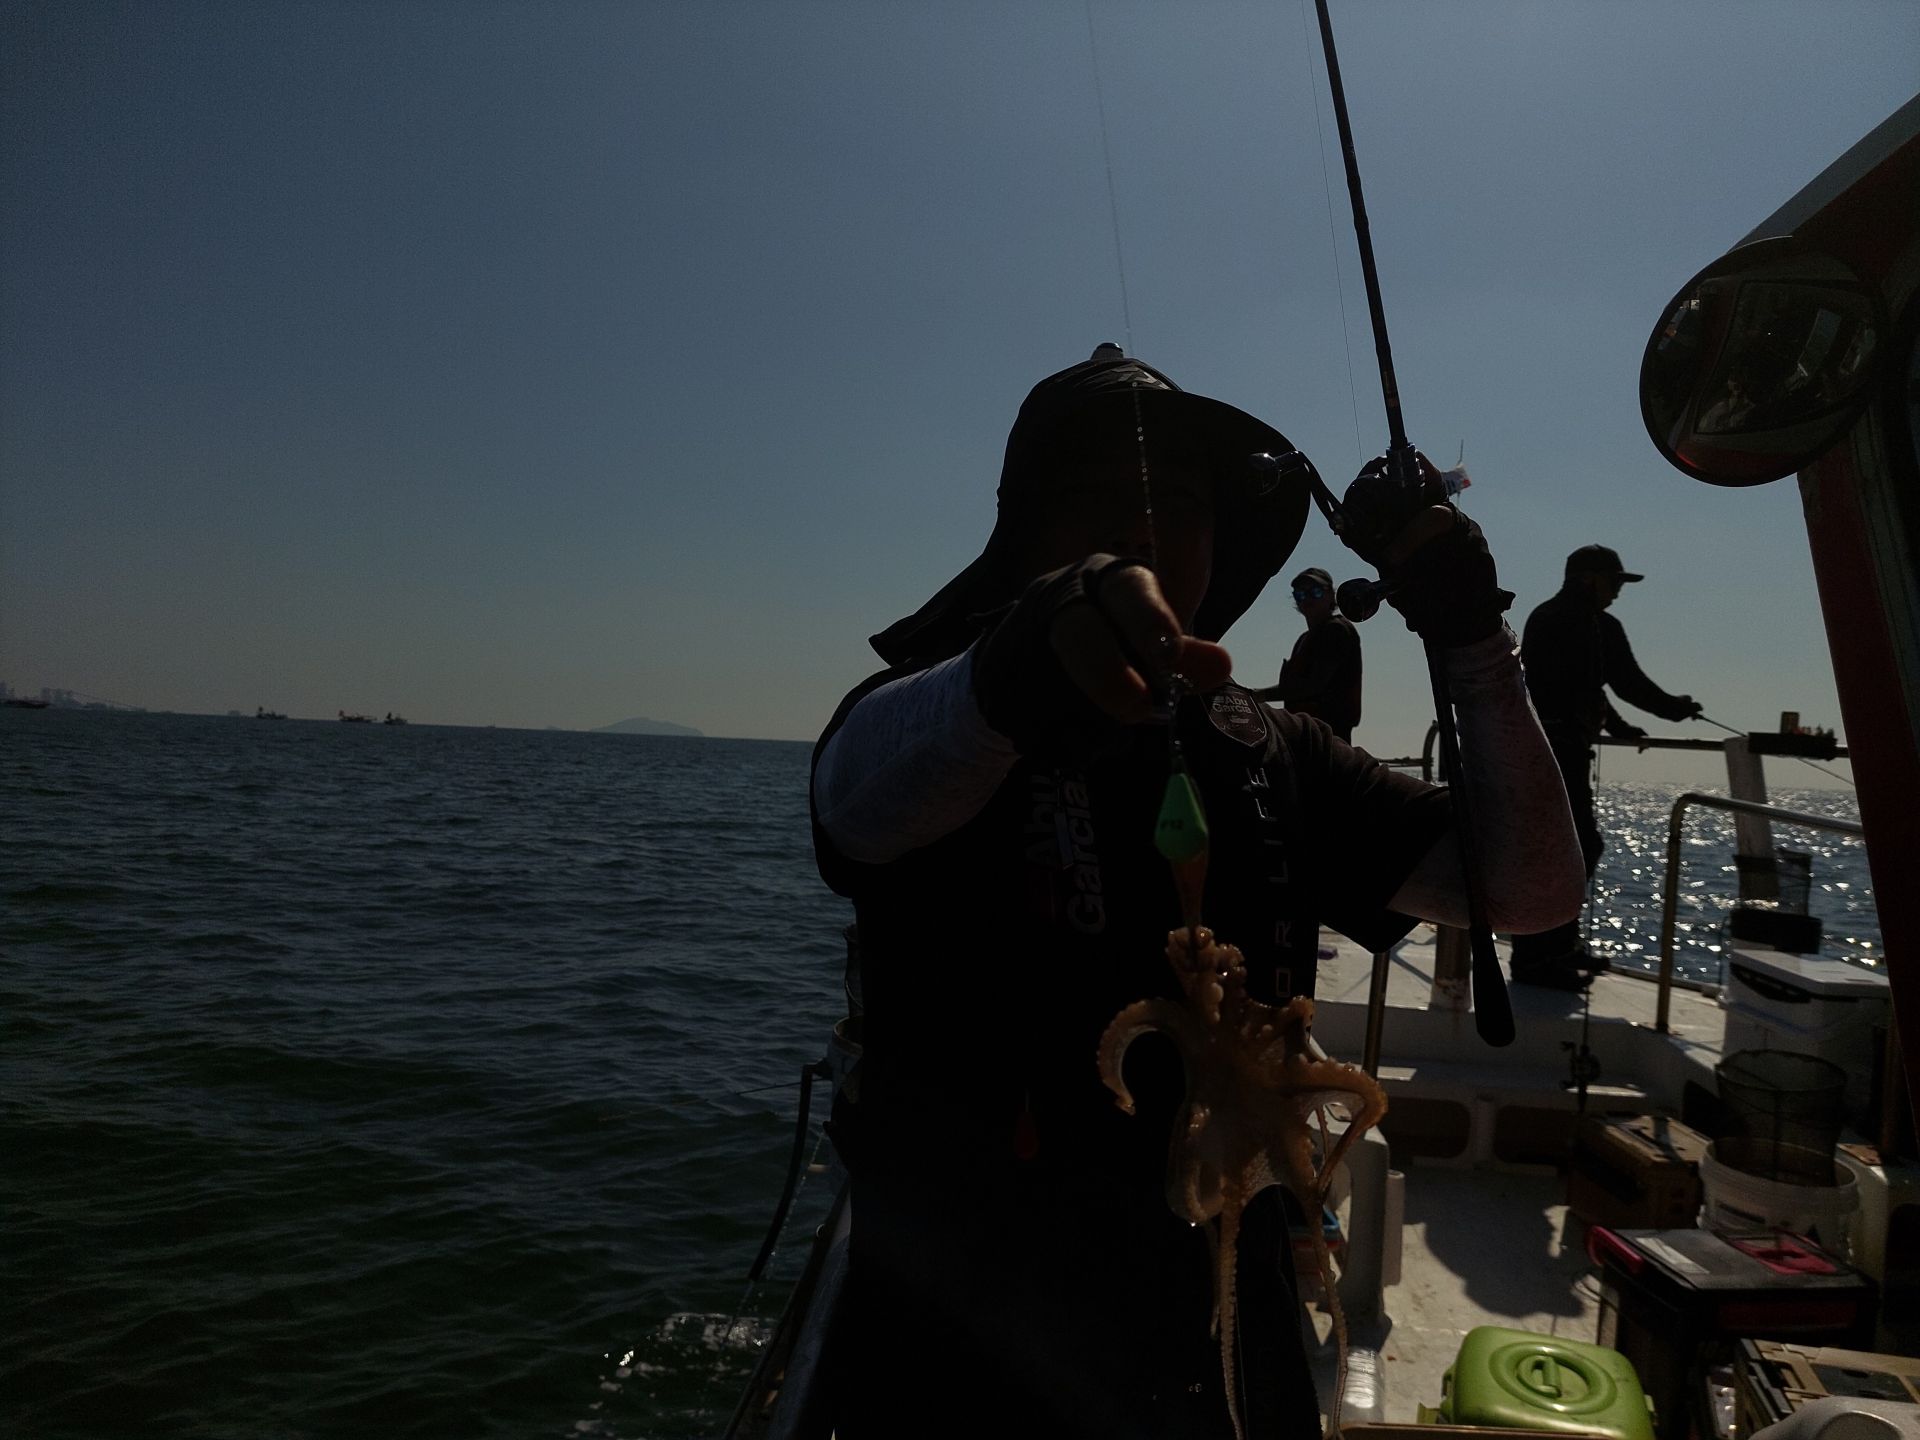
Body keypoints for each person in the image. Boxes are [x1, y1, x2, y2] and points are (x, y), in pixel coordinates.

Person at [809, 344, 1583, 1438]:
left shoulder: (1273, 747)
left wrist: (1474, 640)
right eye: (1096, 498)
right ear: (1024, 534)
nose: (1142, 530)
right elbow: (850, 805)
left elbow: (1530, 889)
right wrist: (1016, 669)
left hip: (1220, 1299)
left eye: (1179, 504)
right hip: (956, 1314)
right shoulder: (941, 716)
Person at [1512, 544, 1703, 989]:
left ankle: (1554, 946)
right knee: (1575, 848)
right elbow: (1626, 682)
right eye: (1614, 582)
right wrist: (1676, 709)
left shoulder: (1544, 617)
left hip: (1542, 749)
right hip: (1563, 751)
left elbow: (1584, 687)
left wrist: (1619, 727)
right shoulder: (1594, 624)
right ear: (1589, 579)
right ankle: (1542, 956)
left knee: (1556, 848)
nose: (1618, 591)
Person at [1252, 566, 1362, 740]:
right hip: (1305, 734)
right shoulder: (1305, 639)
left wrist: (1258, 695)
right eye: (1300, 594)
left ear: (1331, 595)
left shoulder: (1336, 630)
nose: (1307, 598)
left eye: (1315, 592)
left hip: (1328, 736)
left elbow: (1314, 685)